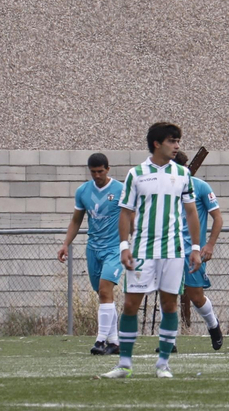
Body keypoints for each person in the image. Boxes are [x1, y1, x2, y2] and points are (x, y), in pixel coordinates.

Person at [100, 123, 202, 380]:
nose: (177, 145)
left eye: (178, 141)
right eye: (172, 141)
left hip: (173, 250)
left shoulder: (183, 173)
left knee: (169, 304)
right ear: (157, 144)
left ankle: (163, 364)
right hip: (142, 250)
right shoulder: (136, 174)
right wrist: (124, 246)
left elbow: (191, 212)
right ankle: (124, 364)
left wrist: (196, 248)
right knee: (130, 304)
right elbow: (125, 212)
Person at [57, 152, 123, 355]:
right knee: (103, 295)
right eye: (93, 172)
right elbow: (76, 220)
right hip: (93, 249)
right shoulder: (83, 191)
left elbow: (131, 217)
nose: (97, 175)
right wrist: (65, 244)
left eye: (100, 171)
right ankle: (114, 342)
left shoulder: (121, 190)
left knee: (105, 290)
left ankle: (100, 341)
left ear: (108, 169)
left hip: (114, 249)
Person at [174, 151, 225, 351]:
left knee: (196, 297)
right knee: (167, 294)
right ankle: (168, 341)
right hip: (169, 250)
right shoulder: (163, 189)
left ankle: (213, 325)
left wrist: (210, 244)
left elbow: (218, 218)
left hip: (192, 252)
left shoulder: (201, 187)